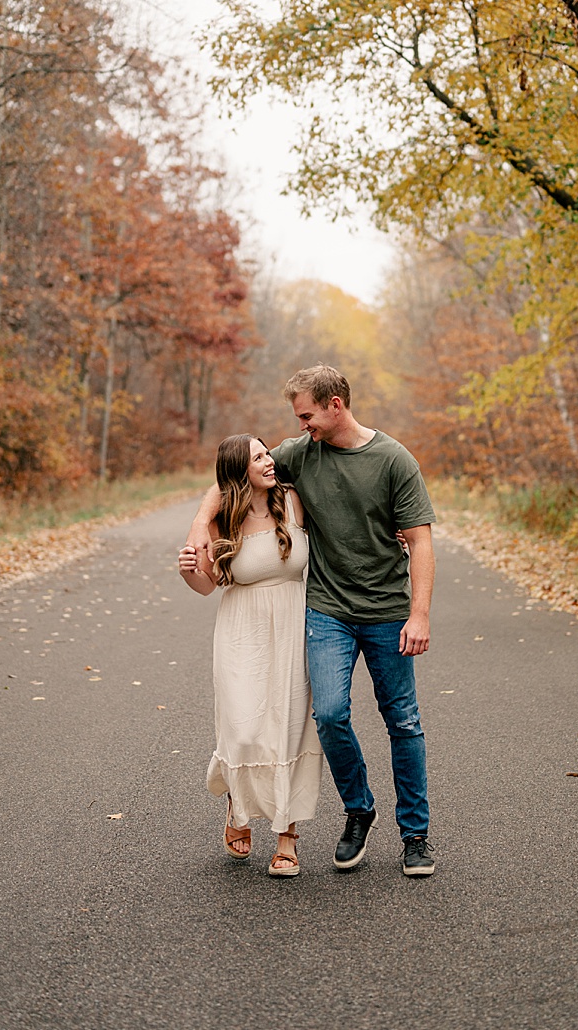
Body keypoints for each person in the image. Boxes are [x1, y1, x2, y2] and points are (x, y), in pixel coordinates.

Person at [187, 366, 437, 878]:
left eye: (306, 415)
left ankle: (415, 834)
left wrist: (419, 614)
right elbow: (233, 476)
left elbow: (419, 540)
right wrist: (198, 525)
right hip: (327, 610)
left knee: (404, 723)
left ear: (335, 405)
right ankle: (358, 809)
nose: (301, 426)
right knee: (328, 716)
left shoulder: (394, 460)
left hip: (388, 610)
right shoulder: (302, 452)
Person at [178, 433, 322, 877]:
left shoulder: (294, 502)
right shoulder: (224, 519)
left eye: (267, 453)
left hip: (294, 628)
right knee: (242, 728)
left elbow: (343, 527)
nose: (269, 461)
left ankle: (287, 838)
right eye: (258, 457)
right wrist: (189, 572)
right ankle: (237, 805)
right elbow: (207, 585)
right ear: (240, 470)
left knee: (289, 729)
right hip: (242, 632)